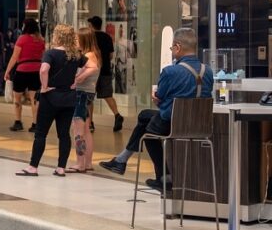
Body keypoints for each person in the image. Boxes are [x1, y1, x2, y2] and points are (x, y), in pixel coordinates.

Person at [99, 28, 213, 189]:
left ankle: (160, 176)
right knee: (145, 116)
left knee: (149, 131)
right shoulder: (208, 71)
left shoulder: (170, 72)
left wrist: (156, 98)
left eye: (172, 48)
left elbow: (160, 99)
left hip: (172, 124)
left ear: (177, 47)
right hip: (199, 126)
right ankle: (122, 160)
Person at [15, 24, 80, 177]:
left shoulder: (50, 53)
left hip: (50, 98)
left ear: (57, 36)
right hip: (69, 99)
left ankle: (33, 167)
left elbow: (44, 70)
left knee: (41, 133)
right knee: (64, 134)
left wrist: (44, 87)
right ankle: (61, 168)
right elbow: (92, 66)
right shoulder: (75, 56)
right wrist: (77, 80)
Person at [3, 18, 45, 133]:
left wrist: (7, 71)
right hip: (36, 71)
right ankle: (35, 124)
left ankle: (18, 122)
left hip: (22, 71)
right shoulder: (41, 40)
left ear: (25, 26)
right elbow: (43, 56)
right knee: (34, 99)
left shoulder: (22, 39)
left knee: (17, 97)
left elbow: (14, 57)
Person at [69, 27, 101, 173]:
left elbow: (90, 70)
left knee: (78, 130)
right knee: (86, 130)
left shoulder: (88, 56)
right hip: (88, 94)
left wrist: (77, 79)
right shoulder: (94, 54)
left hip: (81, 94)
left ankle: (80, 163)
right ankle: (87, 163)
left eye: (77, 39)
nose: (75, 41)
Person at [87, 16, 124, 132]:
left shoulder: (90, 37)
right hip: (105, 70)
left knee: (89, 97)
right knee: (107, 95)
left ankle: (90, 123)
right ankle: (117, 115)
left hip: (92, 71)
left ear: (91, 26)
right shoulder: (107, 37)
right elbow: (111, 55)